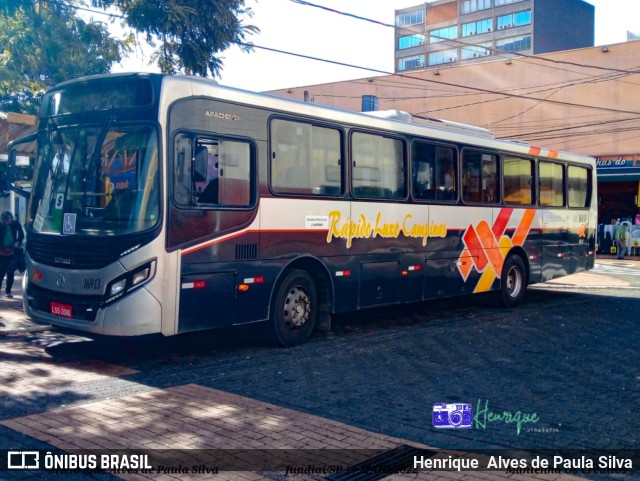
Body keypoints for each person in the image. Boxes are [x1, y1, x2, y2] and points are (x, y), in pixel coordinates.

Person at [0, 211, 25, 298]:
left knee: (11, 273)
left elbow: (21, 235)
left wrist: (17, 242)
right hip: (1, 253)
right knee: (1, 273)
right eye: (7, 220)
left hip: (12, 251)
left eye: (10, 219)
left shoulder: (15, 224)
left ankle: (8, 291)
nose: (9, 222)